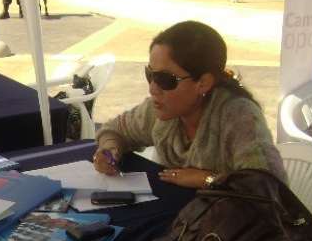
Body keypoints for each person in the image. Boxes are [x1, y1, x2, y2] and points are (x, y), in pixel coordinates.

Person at [93, 20, 287, 188]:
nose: (152, 88)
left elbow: (268, 184)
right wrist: (111, 151)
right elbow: (115, 129)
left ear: (203, 83)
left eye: (164, 79)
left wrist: (207, 179)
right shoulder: (161, 109)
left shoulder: (240, 119)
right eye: (150, 74)